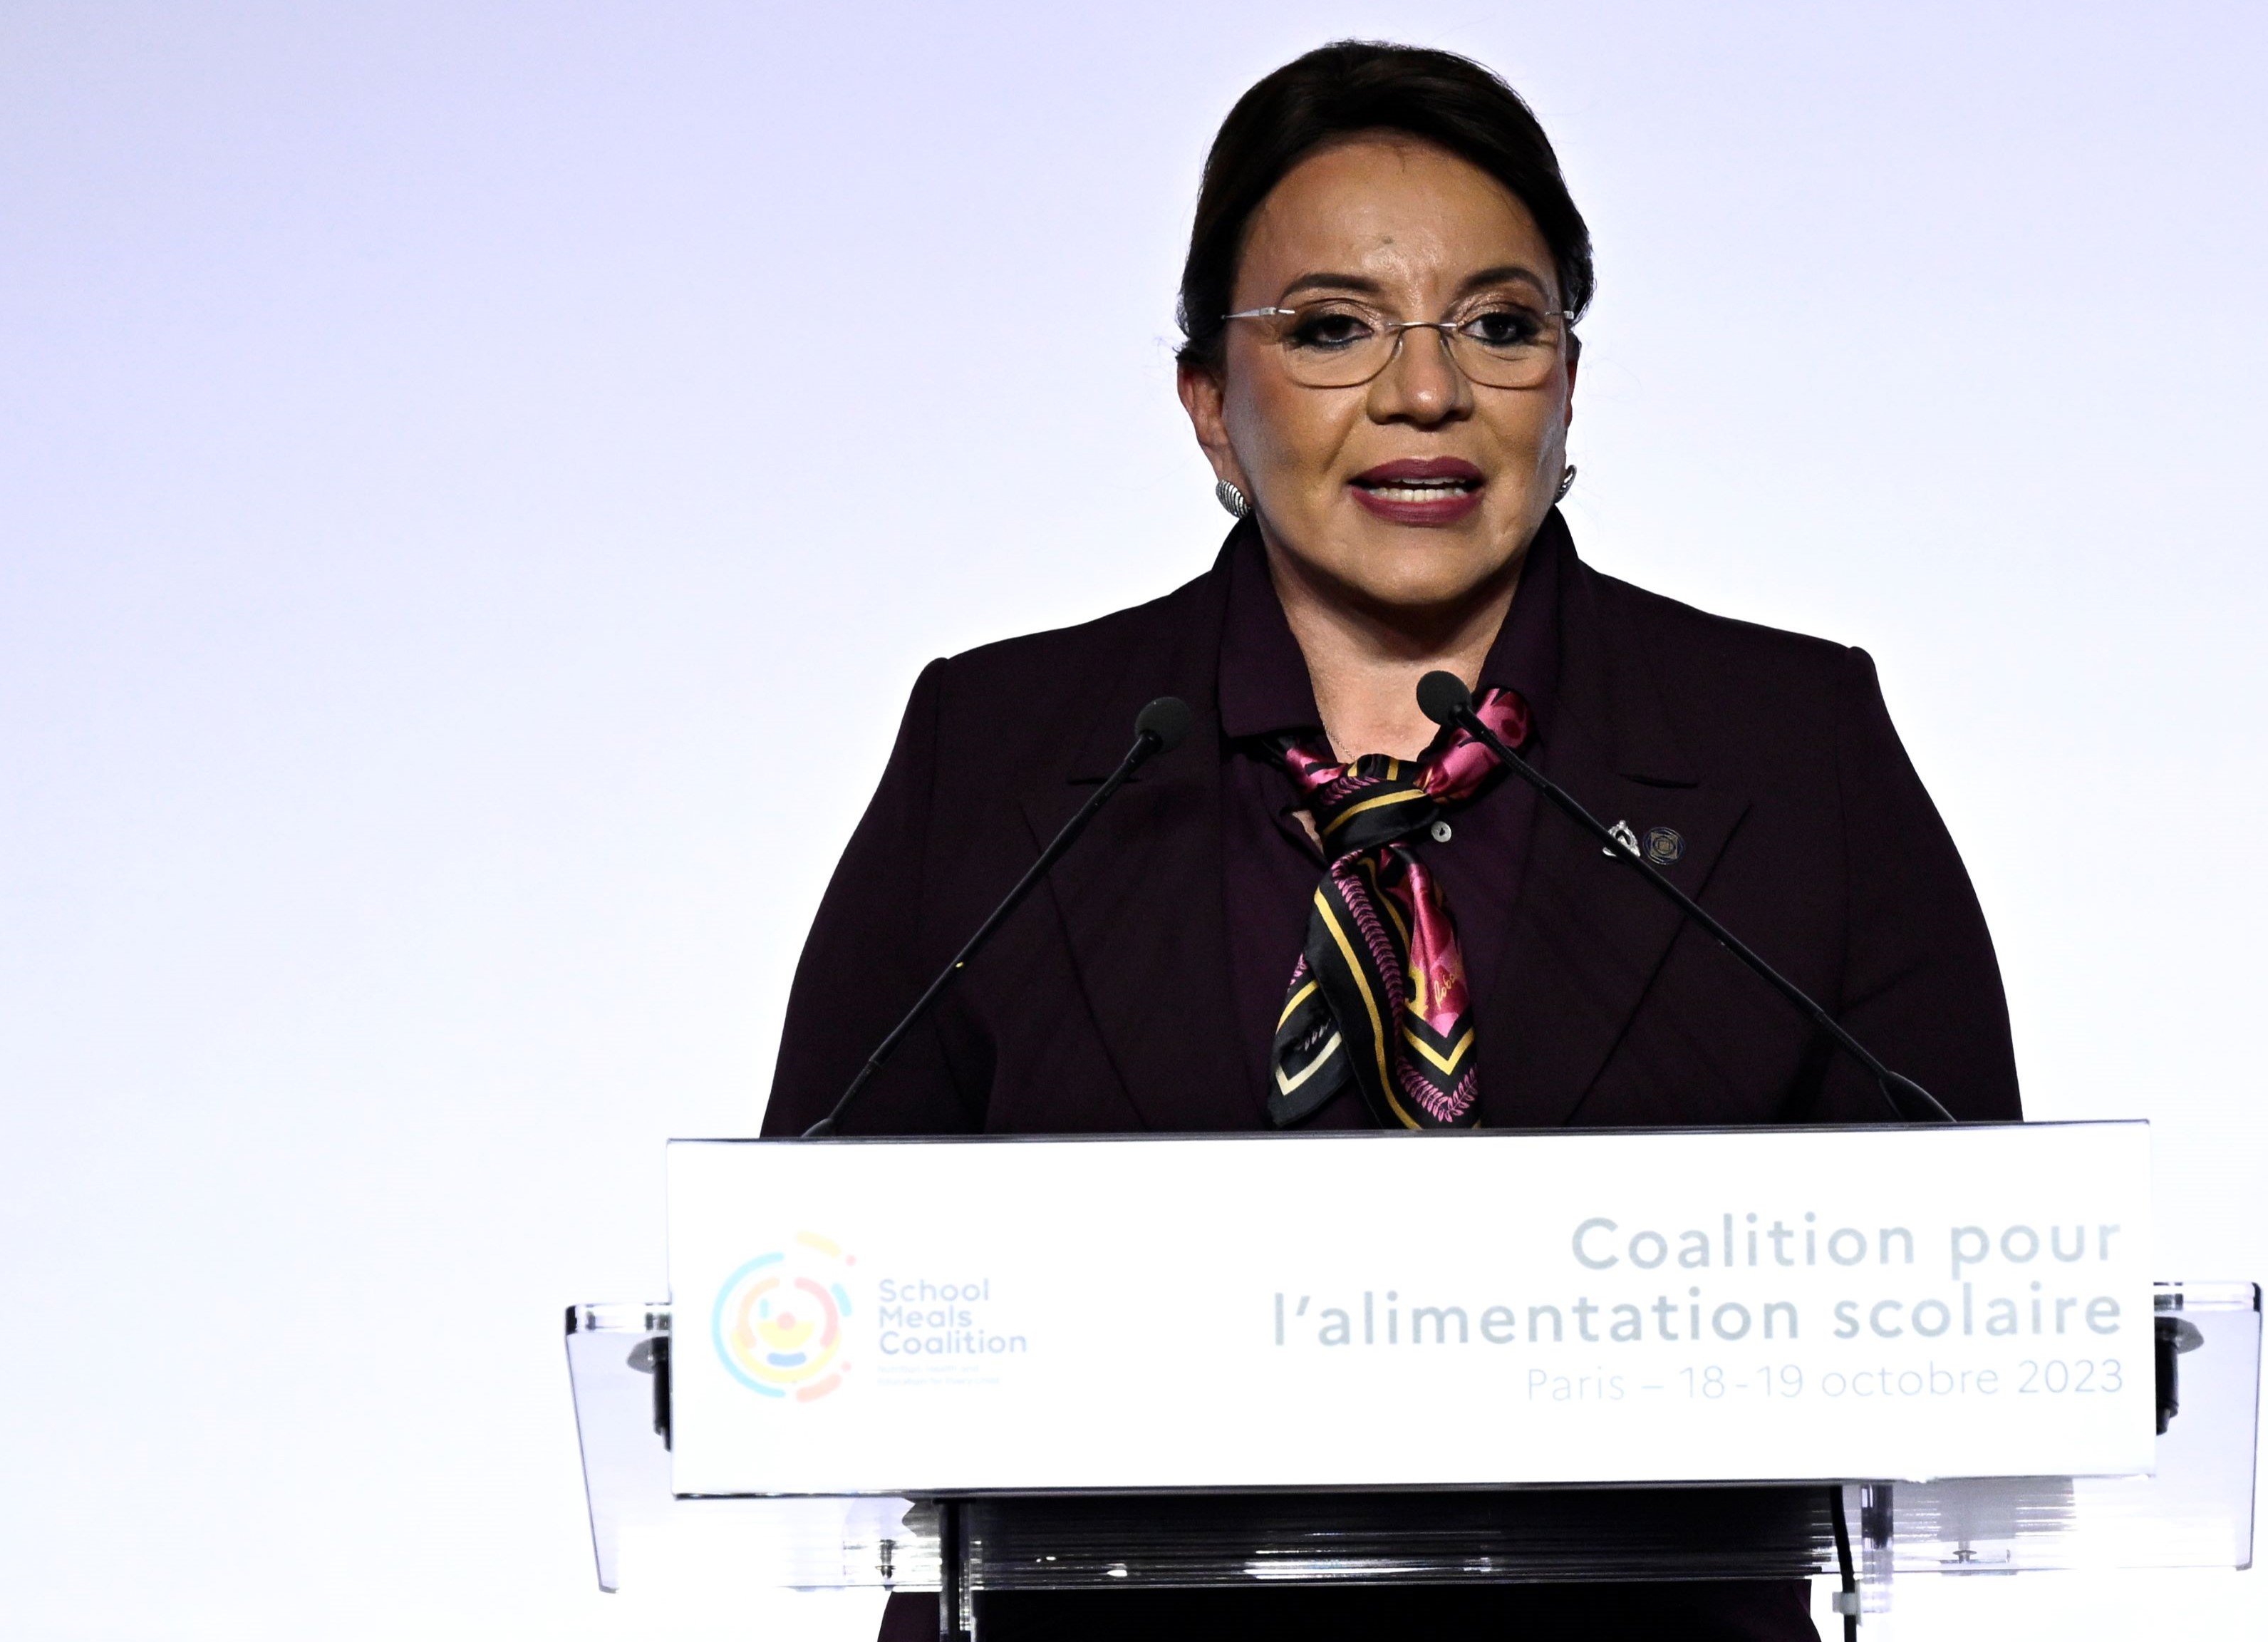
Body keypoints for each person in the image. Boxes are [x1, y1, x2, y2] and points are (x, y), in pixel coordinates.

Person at [760, 39, 2020, 1642]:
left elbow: (1976, 1305)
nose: (1424, 392)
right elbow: (800, 1304)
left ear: (1565, 382)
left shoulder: (1790, 743)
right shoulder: (1000, 752)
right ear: (1209, 405)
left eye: (1496, 326)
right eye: (1333, 329)